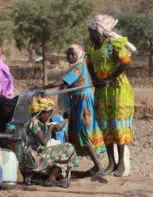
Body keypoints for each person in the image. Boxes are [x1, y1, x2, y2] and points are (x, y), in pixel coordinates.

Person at [32, 44, 106, 179]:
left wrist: (44, 87)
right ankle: (81, 166)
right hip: (77, 101)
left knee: (83, 132)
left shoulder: (79, 66)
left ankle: (99, 166)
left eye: (73, 54)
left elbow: (64, 82)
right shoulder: (74, 67)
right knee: (75, 134)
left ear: (80, 55)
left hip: (83, 102)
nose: (70, 56)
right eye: (68, 54)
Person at [84, 15, 136, 177]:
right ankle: (111, 163)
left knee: (118, 126)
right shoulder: (91, 46)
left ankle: (120, 163)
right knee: (105, 126)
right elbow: (90, 65)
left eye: (92, 31)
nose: (90, 34)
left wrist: (110, 77)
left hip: (118, 89)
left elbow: (126, 62)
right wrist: (95, 80)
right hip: (101, 89)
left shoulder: (114, 43)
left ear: (100, 31)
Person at [22, 95, 79, 188]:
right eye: (48, 114)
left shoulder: (36, 122)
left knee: (62, 148)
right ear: (41, 112)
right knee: (68, 148)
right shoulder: (34, 122)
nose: (49, 116)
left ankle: (48, 177)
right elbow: (44, 142)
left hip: (35, 156)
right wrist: (51, 129)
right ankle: (51, 178)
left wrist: (54, 127)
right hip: (34, 157)